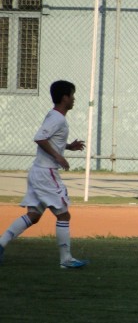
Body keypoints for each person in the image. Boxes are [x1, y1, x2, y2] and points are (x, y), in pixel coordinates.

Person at [0, 80, 88, 269]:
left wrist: (68, 147)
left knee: (33, 216)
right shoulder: (57, 118)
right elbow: (39, 138)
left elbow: (48, 138)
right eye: (72, 95)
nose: (74, 99)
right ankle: (66, 260)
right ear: (65, 98)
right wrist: (59, 157)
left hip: (38, 171)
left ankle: (1, 244)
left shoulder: (54, 116)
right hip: (47, 173)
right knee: (64, 215)